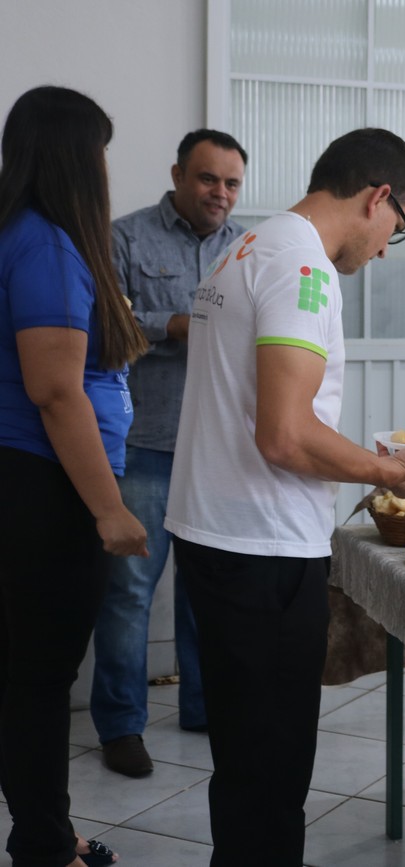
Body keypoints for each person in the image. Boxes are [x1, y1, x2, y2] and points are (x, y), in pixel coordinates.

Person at [164, 128, 405, 866]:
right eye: (399, 226)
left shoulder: (250, 245)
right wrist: (388, 472)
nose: (386, 250)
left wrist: (392, 468)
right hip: (261, 549)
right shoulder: (303, 267)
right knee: (270, 778)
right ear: (378, 197)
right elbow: (285, 435)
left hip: (218, 534)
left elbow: (273, 415)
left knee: (246, 768)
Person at [0, 85, 148, 867]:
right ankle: (47, 848)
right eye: (99, 152)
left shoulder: (17, 233)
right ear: (73, 158)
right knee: (39, 679)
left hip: (25, 481)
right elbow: (56, 392)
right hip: (44, 488)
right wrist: (110, 509)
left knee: (24, 675)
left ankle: (46, 833)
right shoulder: (48, 245)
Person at [91, 129, 247, 778]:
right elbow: (107, 326)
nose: (220, 193)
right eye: (208, 179)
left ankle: (203, 708)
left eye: (232, 183)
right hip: (146, 446)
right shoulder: (125, 238)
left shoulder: (248, 247)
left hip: (219, 453)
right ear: (179, 175)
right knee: (128, 593)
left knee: (206, 591)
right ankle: (120, 724)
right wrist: (177, 324)